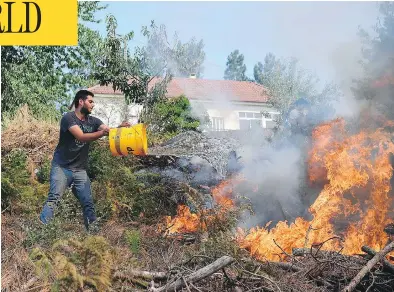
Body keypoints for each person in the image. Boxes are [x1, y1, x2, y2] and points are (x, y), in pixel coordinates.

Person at [39, 90, 130, 232]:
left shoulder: (93, 121)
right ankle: (41, 232)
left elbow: (107, 130)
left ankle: (93, 237)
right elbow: (81, 137)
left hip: (80, 170)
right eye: (90, 101)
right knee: (54, 199)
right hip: (62, 168)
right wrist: (101, 134)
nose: (93, 105)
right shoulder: (68, 118)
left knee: (88, 202)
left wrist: (119, 129)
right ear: (81, 101)